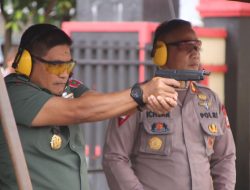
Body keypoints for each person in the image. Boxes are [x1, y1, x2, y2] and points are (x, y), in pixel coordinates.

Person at [0, 24, 180, 190]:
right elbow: (79, 110)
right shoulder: (12, 93)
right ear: (26, 62)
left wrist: (143, 102)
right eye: (55, 66)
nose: (64, 74)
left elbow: (97, 101)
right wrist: (141, 93)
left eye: (68, 65)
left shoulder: (67, 85)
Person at [102, 19, 236, 190]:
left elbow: (225, 157)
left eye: (197, 46)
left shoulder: (211, 100)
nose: (195, 53)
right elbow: (114, 157)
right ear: (161, 53)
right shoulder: (136, 99)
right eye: (186, 46)